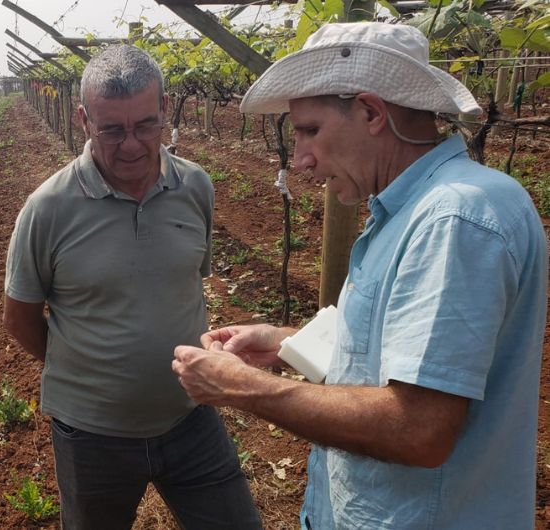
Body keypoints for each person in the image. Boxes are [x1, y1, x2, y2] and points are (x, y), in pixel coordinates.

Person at [172, 22, 548, 530]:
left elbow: (418, 428)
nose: (300, 158)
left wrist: (241, 387)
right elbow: (398, 354)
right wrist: (287, 344)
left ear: (372, 112)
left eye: (310, 130)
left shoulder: (453, 219)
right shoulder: (409, 209)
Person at [3, 44, 261, 529]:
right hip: (91, 435)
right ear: (83, 120)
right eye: (112, 129)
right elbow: (19, 319)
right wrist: (91, 371)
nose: (131, 145)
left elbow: (184, 286)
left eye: (145, 124)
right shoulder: (48, 208)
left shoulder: (196, 187)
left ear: (165, 109)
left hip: (192, 417)